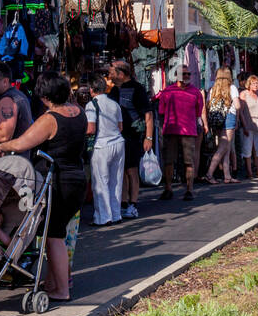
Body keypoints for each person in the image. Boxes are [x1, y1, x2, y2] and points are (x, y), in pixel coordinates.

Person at [0, 74, 88, 302]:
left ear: (45, 97)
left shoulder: (50, 119)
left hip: (58, 181)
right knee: (59, 233)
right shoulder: (79, 112)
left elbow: (23, 142)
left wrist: (3, 146)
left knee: (53, 235)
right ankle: (55, 282)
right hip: (77, 178)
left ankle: (61, 290)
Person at [107, 60, 154, 220]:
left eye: (112, 71)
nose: (109, 75)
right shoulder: (113, 90)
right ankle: (124, 203)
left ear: (121, 73)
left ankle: (133, 204)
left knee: (131, 170)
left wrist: (148, 137)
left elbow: (148, 115)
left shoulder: (137, 89)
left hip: (133, 136)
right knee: (121, 170)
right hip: (116, 136)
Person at [156, 66, 207, 202]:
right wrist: (162, 130)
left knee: (188, 161)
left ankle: (189, 189)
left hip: (188, 130)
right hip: (171, 130)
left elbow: (198, 112)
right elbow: (161, 112)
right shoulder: (167, 91)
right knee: (169, 161)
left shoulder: (195, 92)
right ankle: (168, 188)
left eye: (188, 73)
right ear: (176, 75)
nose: (186, 76)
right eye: (183, 74)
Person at [85, 74, 125, 226]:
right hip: (118, 143)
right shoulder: (114, 104)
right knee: (116, 181)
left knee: (101, 182)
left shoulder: (91, 105)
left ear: (91, 89)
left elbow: (90, 128)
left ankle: (103, 217)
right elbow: (121, 127)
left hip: (102, 145)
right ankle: (116, 214)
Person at [204, 67, 240, 184]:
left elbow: (209, 105)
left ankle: (227, 175)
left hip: (216, 119)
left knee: (226, 147)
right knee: (223, 147)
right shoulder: (232, 88)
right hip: (229, 117)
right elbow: (238, 105)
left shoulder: (212, 89)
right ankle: (209, 174)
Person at [238, 74, 258, 178]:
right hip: (248, 123)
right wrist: (244, 125)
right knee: (247, 148)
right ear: (249, 84)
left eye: (257, 83)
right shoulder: (243, 94)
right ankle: (249, 171)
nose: (256, 85)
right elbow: (240, 112)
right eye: (254, 83)